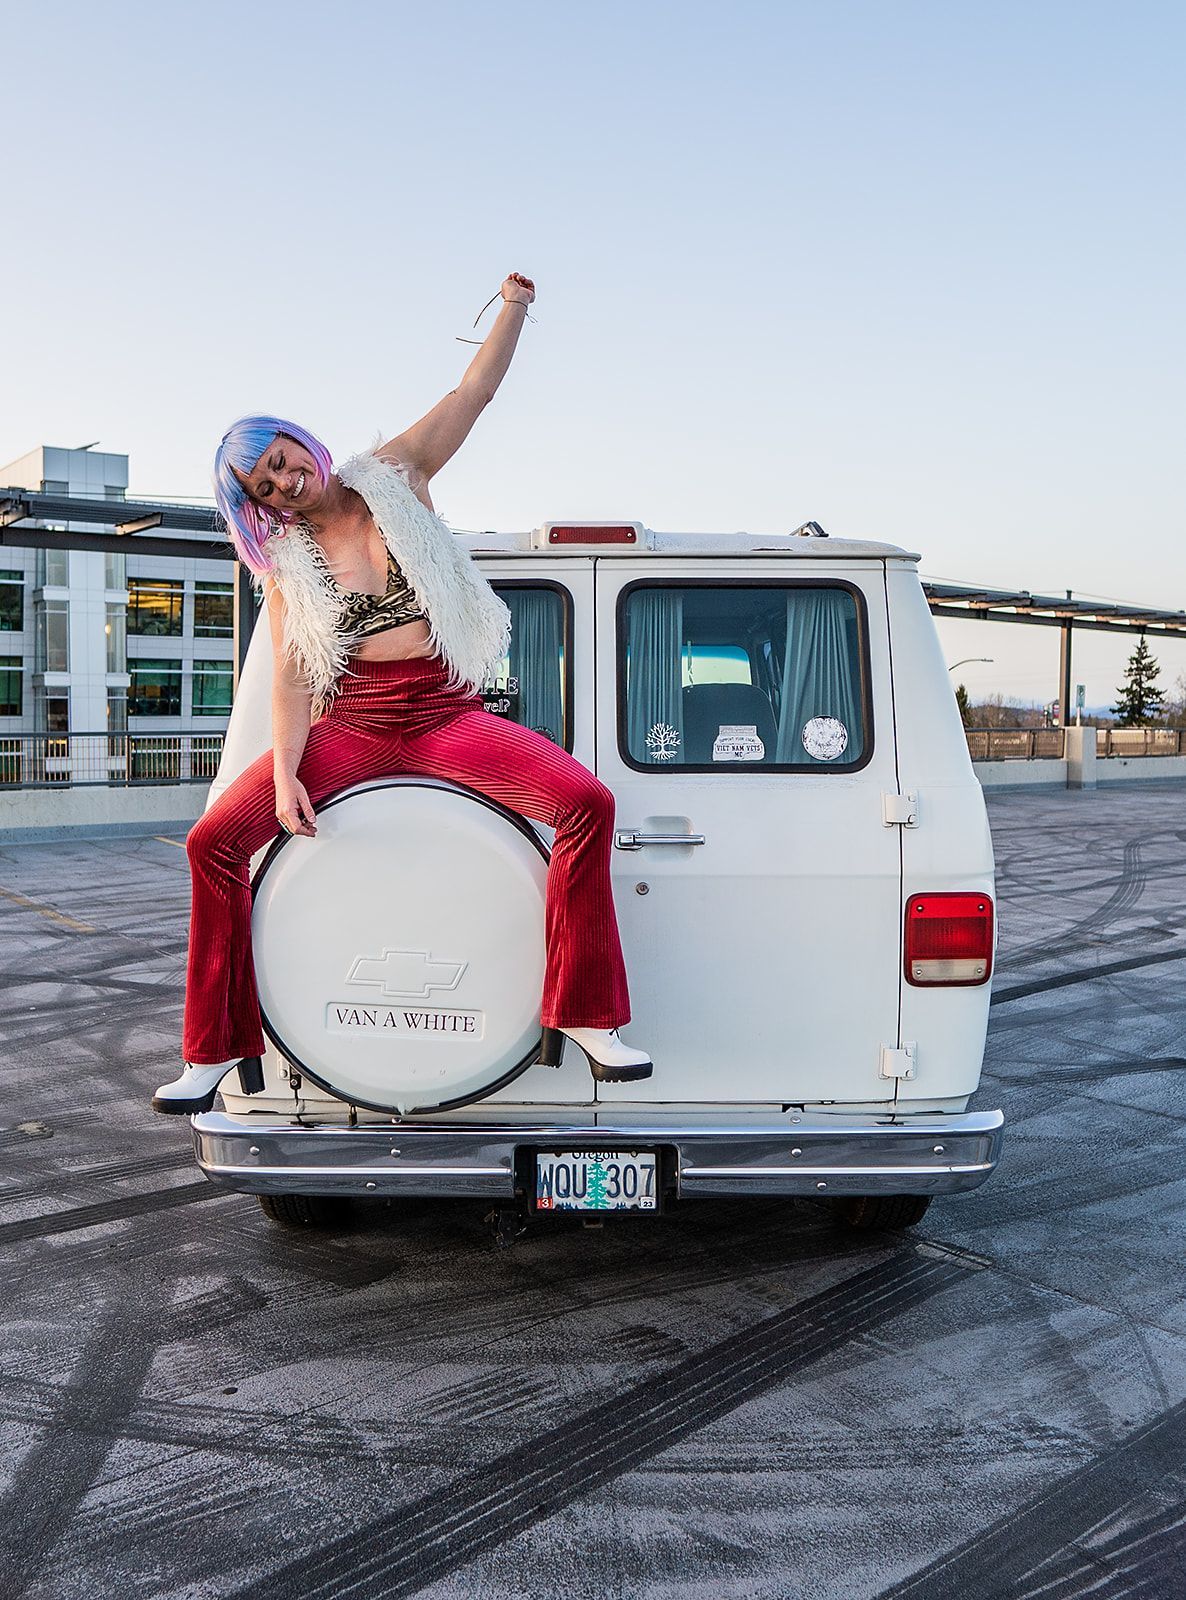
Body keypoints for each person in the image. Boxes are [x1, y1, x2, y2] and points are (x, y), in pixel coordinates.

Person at [153, 273, 652, 1114]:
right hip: (352, 723)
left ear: (298, 442)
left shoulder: (395, 473)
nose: (284, 485)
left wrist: (515, 308)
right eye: (265, 489)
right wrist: (284, 777)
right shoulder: (286, 565)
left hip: (443, 713)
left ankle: (586, 1017)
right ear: (259, 506)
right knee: (211, 844)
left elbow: (474, 392)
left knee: (585, 803)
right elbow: (293, 673)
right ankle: (214, 1050)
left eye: (280, 462)